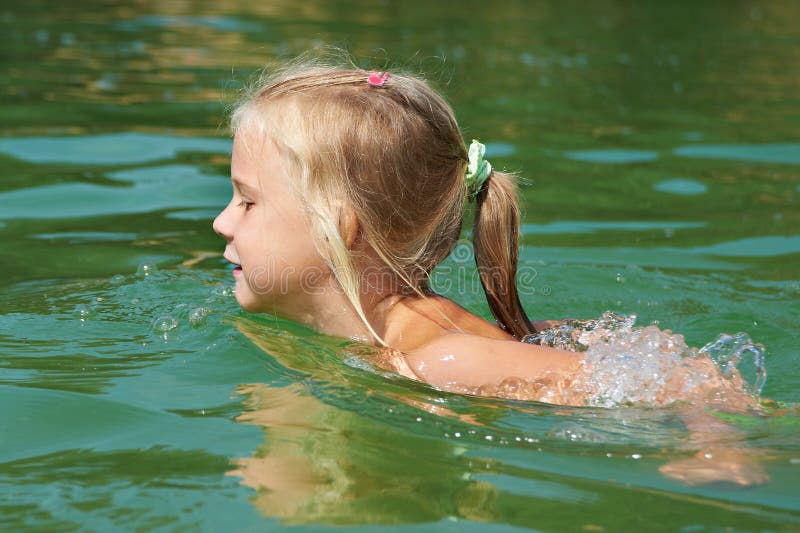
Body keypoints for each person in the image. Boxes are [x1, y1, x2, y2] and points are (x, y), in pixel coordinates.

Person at [212, 58, 767, 485]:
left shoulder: (443, 359)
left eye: (247, 201)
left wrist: (720, 447)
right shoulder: (394, 345)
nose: (220, 222)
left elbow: (687, 381)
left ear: (341, 227)